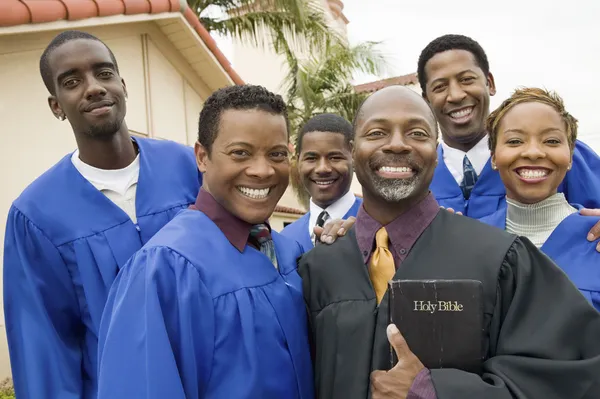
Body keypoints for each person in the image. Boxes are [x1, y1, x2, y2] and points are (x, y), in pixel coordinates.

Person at [299, 85, 600, 399]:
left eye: (417, 133)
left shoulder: (500, 260)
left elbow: (567, 378)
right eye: (376, 133)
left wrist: (433, 392)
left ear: (436, 149)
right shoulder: (318, 267)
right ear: (351, 150)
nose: (398, 145)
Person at [2, 31, 201, 399]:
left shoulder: (189, 167)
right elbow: (44, 347)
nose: (93, 88)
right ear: (56, 105)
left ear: (123, 85)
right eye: (72, 82)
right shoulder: (36, 214)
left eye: (104, 73)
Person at [97, 85, 313, 398]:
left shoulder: (287, 251)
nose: (263, 170)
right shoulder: (164, 268)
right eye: (240, 153)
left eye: (277, 154)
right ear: (202, 157)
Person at [417, 34, 600, 250]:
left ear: (490, 83)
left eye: (467, 79)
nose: (456, 95)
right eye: (440, 87)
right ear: (426, 100)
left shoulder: (563, 156)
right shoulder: (419, 176)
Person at [479, 87, 600, 311]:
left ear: (570, 156)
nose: (533, 152)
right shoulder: (470, 239)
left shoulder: (595, 238)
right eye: (515, 141)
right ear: (494, 157)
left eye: (552, 141)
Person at [282, 113, 361, 251]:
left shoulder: (377, 224)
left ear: (353, 157)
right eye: (311, 158)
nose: (322, 169)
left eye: (335, 157)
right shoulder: (285, 239)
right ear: (299, 161)